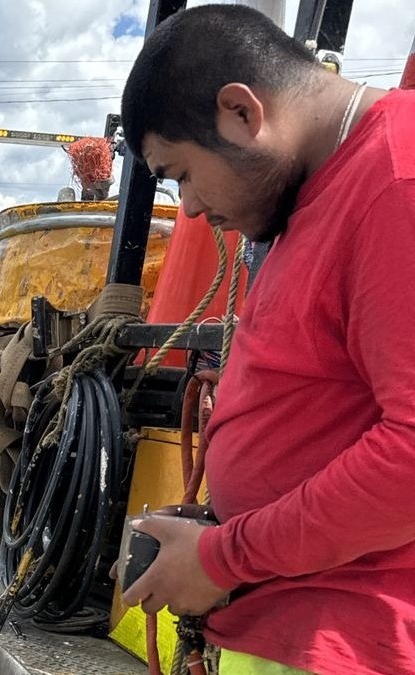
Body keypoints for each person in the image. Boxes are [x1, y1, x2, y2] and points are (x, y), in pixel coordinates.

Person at [118, 6, 415, 674]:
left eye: (181, 173)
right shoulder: (317, 192)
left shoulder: (397, 178)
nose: (189, 209)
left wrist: (223, 557)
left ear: (240, 112)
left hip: (348, 640)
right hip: (289, 628)